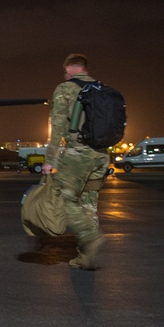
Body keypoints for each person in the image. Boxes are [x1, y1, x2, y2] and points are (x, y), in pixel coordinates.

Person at [43, 54, 110, 270]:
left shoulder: (65, 88)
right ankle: (85, 256)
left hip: (78, 154)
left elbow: (58, 128)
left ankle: (91, 236)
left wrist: (50, 160)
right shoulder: (103, 89)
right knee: (89, 203)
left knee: (64, 199)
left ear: (69, 68)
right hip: (101, 154)